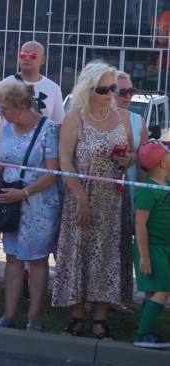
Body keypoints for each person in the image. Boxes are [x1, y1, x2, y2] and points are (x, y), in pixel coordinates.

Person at [53, 61, 134, 341]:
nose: (111, 93)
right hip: (82, 196)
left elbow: (131, 156)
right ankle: (77, 317)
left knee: (107, 257)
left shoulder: (123, 117)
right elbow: (65, 161)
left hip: (112, 200)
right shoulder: (75, 117)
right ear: (88, 90)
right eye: (104, 89)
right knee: (79, 254)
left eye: (114, 88)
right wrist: (81, 198)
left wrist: (127, 160)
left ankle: (101, 320)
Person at [0, 41, 65, 280]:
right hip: (8, 157)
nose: (27, 58)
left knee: (39, 215)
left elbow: (59, 125)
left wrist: (63, 158)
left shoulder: (52, 88)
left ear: (43, 59)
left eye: (33, 55)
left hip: (39, 161)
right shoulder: (6, 83)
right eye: (23, 54)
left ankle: (40, 260)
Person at [0, 82, 60, 332]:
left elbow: (53, 172)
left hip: (38, 206)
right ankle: (8, 315)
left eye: (5, 108)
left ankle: (34, 318)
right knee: (13, 257)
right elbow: (2, 161)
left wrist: (24, 192)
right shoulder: (7, 126)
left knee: (37, 260)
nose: (1, 113)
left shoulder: (48, 129)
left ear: (21, 107)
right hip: (11, 203)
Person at [113, 71, 148, 312]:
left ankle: (115, 296)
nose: (128, 96)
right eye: (122, 92)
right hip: (104, 189)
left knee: (123, 244)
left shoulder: (138, 120)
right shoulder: (95, 118)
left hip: (130, 188)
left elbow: (146, 162)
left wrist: (146, 197)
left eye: (131, 91)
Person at [131, 141, 170, 349]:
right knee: (164, 288)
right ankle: (143, 334)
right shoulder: (147, 189)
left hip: (166, 246)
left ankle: (147, 328)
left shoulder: (167, 184)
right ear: (163, 164)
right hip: (152, 247)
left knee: (152, 291)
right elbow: (140, 224)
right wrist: (144, 255)